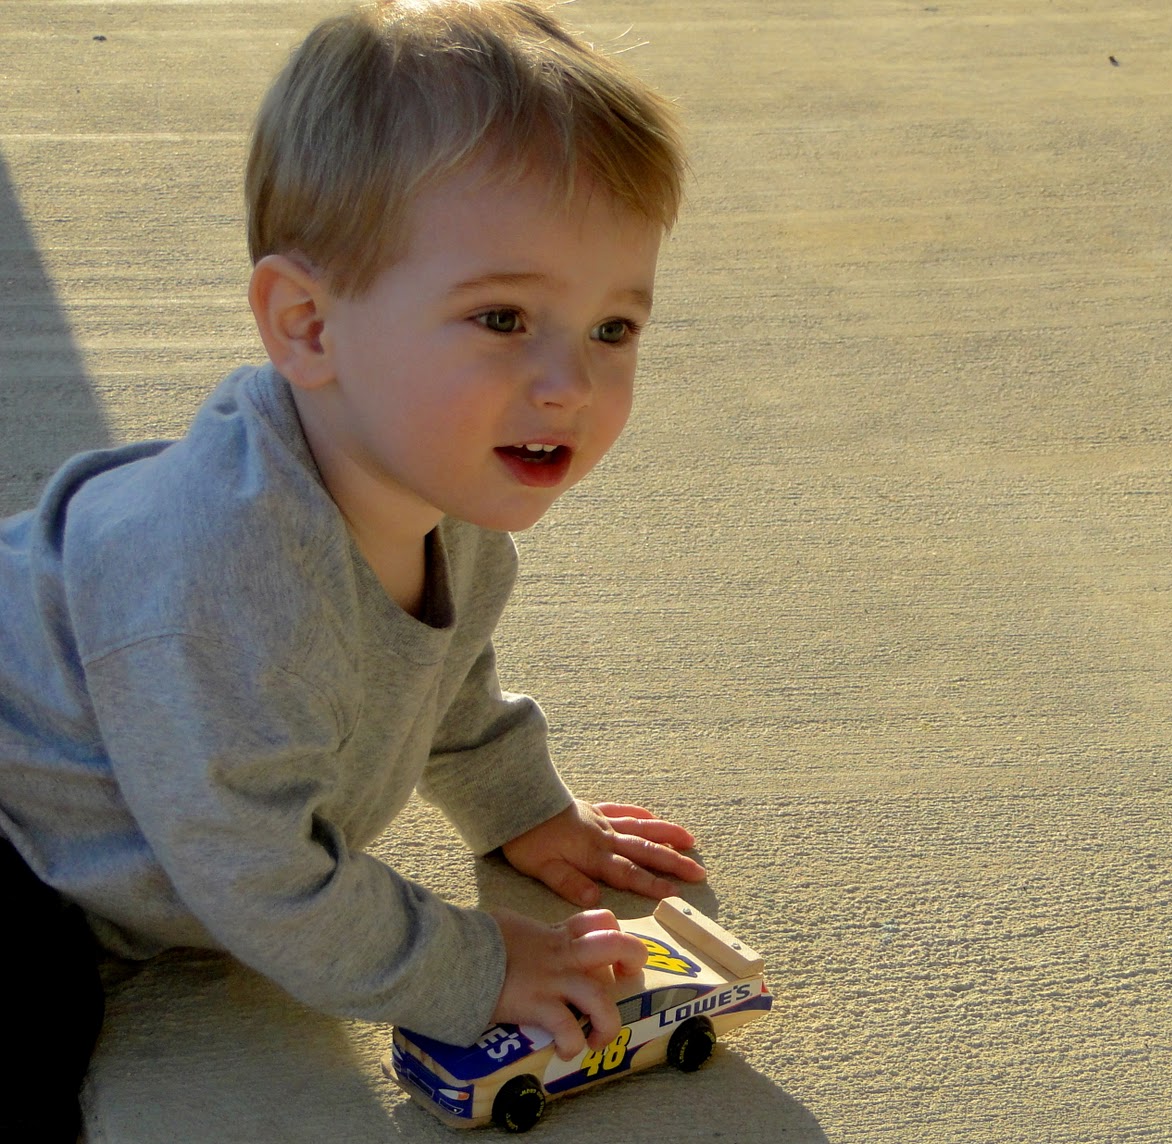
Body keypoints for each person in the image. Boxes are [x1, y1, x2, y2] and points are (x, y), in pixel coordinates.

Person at [0, 2, 704, 1138]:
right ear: (309, 326)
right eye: (503, 317)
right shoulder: (224, 585)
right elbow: (262, 878)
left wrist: (521, 807)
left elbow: (438, 682)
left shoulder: (444, 502)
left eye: (612, 329)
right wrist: (472, 966)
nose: (569, 383)